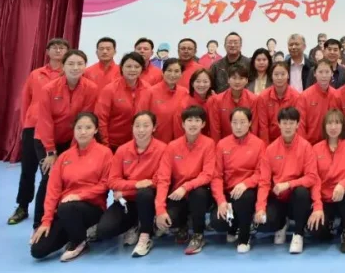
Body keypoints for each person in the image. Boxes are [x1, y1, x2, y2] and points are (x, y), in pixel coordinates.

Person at [30, 112, 111, 262]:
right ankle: (75, 231)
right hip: (65, 210)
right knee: (37, 250)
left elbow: (106, 184)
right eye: (79, 128)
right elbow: (53, 190)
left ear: (95, 130)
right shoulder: (64, 157)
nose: (83, 132)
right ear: (73, 130)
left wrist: (80, 196)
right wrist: (46, 221)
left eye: (88, 127)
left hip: (92, 208)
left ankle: (79, 242)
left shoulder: (105, 153)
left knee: (67, 207)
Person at [33, 50, 99, 229]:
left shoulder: (91, 88)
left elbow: (84, 120)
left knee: (70, 177)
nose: (75, 67)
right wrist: (51, 151)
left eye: (80, 64)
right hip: (47, 140)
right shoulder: (49, 89)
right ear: (63, 65)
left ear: (85, 66)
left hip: (73, 139)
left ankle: (62, 219)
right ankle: (39, 223)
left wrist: (72, 150)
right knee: (49, 178)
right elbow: (45, 120)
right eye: (71, 63)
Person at [9, 38, 67, 226]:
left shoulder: (68, 73)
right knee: (28, 169)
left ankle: (50, 209)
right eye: (54, 48)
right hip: (33, 127)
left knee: (50, 172)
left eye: (62, 48)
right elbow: (26, 100)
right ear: (47, 51)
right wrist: (25, 125)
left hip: (55, 129)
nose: (58, 51)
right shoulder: (36, 74)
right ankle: (22, 206)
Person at [97, 111, 166, 257]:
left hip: (149, 200)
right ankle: (135, 224)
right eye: (137, 126)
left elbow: (158, 180)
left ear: (154, 127)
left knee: (145, 193)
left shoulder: (163, 149)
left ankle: (145, 235)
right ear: (132, 127)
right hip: (127, 201)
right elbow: (112, 181)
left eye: (146, 125)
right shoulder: (122, 150)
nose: (141, 130)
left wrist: (125, 190)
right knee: (104, 230)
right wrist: (135, 185)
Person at [255, 107, 319, 254]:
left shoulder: (306, 147)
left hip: (296, 199)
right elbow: (264, 182)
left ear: (297, 124)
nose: (288, 127)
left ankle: (298, 234)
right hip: (278, 199)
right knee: (263, 223)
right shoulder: (270, 150)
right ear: (279, 124)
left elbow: (311, 177)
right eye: (284, 123)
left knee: (302, 192)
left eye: (291, 123)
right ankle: (282, 223)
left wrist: (289, 184)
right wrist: (260, 208)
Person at [155, 106, 216, 255]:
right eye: (189, 120)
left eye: (197, 120)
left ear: (203, 124)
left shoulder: (209, 144)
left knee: (198, 193)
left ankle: (198, 234)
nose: (193, 124)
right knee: (168, 221)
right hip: (178, 195)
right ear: (183, 124)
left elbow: (207, 175)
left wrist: (186, 187)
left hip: (199, 193)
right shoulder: (172, 146)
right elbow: (163, 179)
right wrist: (160, 209)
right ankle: (182, 225)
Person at [209, 108, 266, 253]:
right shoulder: (222, 144)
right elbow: (216, 176)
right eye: (235, 122)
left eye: (242, 122)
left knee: (244, 198)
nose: (238, 126)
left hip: (248, 191)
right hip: (228, 193)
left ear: (250, 123)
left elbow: (261, 172)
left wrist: (246, 183)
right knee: (218, 222)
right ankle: (233, 227)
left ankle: (244, 236)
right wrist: (221, 201)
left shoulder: (259, 144)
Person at [308, 110, 345, 253]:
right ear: (324, 126)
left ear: (342, 126)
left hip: (343, 197)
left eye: (337, 123)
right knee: (316, 231)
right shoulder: (315, 149)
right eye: (329, 123)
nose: (333, 127)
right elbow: (314, 180)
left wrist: (342, 184)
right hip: (324, 199)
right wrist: (317, 207)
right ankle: (329, 226)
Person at [95, 52, 148, 150]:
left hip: (139, 144)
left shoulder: (148, 89)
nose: (132, 70)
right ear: (122, 68)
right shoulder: (110, 89)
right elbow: (101, 119)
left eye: (137, 67)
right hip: (113, 144)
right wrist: (105, 144)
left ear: (142, 69)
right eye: (128, 66)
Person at [138, 58, 189, 143]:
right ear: (163, 72)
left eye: (176, 71)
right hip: (155, 142)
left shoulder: (185, 92)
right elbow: (140, 119)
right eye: (169, 70)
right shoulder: (150, 92)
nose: (172, 74)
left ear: (181, 74)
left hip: (179, 142)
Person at [253, 62, 301, 143]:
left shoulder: (296, 97)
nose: (279, 77)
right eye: (276, 74)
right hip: (270, 140)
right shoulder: (263, 97)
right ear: (271, 76)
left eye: (283, 74)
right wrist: (266, 147)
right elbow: (263, 126)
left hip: (290, 140)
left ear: (288, 75)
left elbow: (297, 125)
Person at [210, 65, 257, 141]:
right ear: (228, 80)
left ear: (247, 81)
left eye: (241, 78)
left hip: (247, 142)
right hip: (224, 143)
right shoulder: (217, 100)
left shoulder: (253, 99)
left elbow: (254, 126)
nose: (237, 82)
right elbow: (215, 129)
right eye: (234, 78)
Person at [297, 59, 338, 145]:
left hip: (330, 143)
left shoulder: (336, 95)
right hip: (309, 144)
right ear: (314, 73)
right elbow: (300, 125)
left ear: (332, 73)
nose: (324, 75)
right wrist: (304, 146)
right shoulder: (304, 96)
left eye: (327, 72)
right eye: (320, 72)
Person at [180, 69, 216, 139]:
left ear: (211, 84)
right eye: (198, 81)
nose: (201, 85)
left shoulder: (215, 100)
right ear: (192, 84)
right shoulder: (185, 103)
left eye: (205, 81)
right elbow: (180, 129)